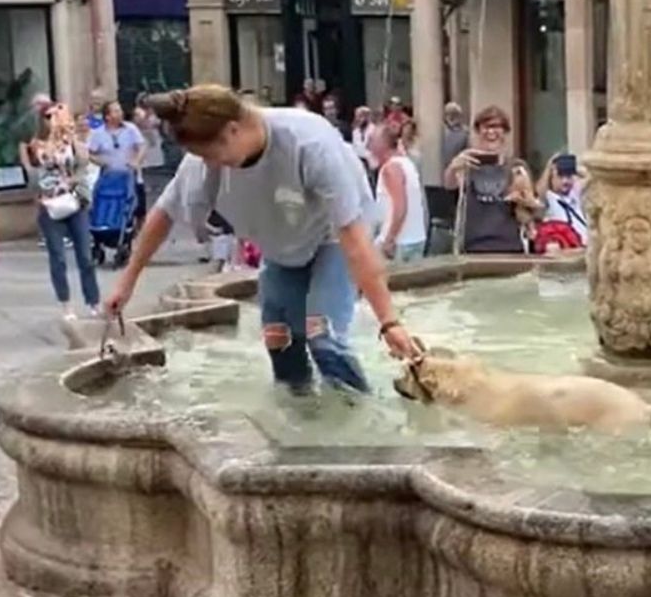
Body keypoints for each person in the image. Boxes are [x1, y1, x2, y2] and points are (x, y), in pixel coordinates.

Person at [105, 85, 421, 394]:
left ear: (231, 130)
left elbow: (354, 240)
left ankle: (361, 425)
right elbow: (163, 214)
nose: (210, 165)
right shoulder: (200, 163)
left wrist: (388, 322)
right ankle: (300, 422)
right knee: (279, 341)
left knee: (323, 338)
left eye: (212, 155)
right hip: (281, 248)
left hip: (332, 238)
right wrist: (127, 280)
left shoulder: (308, 142)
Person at [32, 103, 100, 321]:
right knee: (58, 257)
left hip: (74, 201)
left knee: (85, 256)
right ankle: (66, 304)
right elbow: (45, 161)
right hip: (51, 203)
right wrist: (54, 136)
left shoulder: (74, 143)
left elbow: (83, 166)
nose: (54, 120)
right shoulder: (39, 144)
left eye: (57, 115)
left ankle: (93, 301)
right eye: (48, 116)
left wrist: (73, 141)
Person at [443, 106, 536, 254]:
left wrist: (522, 199)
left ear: (505, 132)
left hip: (510, 246)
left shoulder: (517, 167)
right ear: (478, 132)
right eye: (486, 127)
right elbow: (449, 186)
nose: (491, 132)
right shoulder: (467, 164)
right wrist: (454, 166)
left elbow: (531, 207)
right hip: (473, 247)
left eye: (497, 127)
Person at [369, 126, 427, 263]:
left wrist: (390, 239)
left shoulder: (391, 169)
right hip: (414, 237)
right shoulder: (407, 163)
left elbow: (400, 207)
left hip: (400, 242)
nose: (368, 145)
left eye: (372, 141)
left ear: (382, 144)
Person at [87, 100, 147, 224]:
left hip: (131, 174)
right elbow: (89, 153)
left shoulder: (131, 128)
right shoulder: (98, 133)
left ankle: (141, 233)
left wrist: (136, 161)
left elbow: (142, 145)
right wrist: (99, 161)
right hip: (110, 177)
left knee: (140, 208)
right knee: (111, 205)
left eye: (120, 110)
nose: (120, 113)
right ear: (107, 116)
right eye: (116, 111)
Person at [534, 153, 589, 253]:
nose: (565, 181)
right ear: (552, 178)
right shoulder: (550, 198)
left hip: (584, 248)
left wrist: (574, 168)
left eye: (568, 177)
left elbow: (592, 178)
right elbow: (540, 191)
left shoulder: (574, 194)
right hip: (564, 249)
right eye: (560, 177)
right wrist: (550, 167)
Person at [441, 102, 469, 174]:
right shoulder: (439, 132)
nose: (452, 118)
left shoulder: (465, 133)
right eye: (449, 114)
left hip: (457, 170)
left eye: (455, 115)